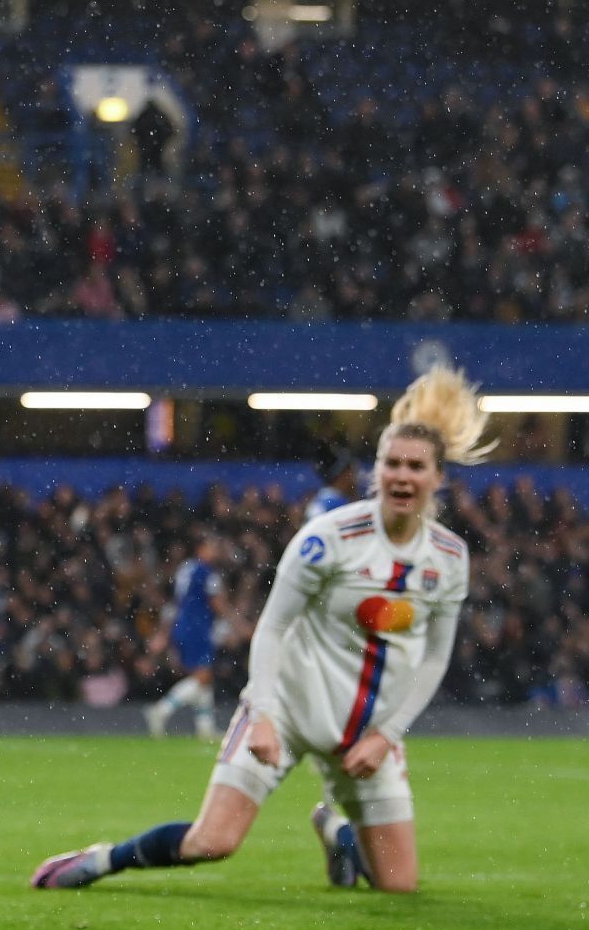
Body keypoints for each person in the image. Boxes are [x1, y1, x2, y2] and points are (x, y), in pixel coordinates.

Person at [32, 367, 488, 895]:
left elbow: (435, 657)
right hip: (290, 707)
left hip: (368, 729)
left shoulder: (450, 557)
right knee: (213, 842)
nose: (402, 477)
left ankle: (341, 835)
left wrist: (387, 734)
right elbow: (272, 627)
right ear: (375, 471)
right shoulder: (329, 539)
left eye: (415, 467)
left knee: (399, 886)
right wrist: (267, 716)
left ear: (437, 478)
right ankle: (102, 860)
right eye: (392, 464)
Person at [144, 535, 247, 742]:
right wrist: (239, 625)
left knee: (204, 678)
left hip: (183, 625)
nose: (214, 551)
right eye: (211, 547)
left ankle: (205, 727)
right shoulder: (206, 572)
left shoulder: (186, 568)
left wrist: (165, 632)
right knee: (203, 676)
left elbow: (178, 600)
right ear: (200, 548)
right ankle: (161, 710)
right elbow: (217, 603)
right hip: (197, 627)